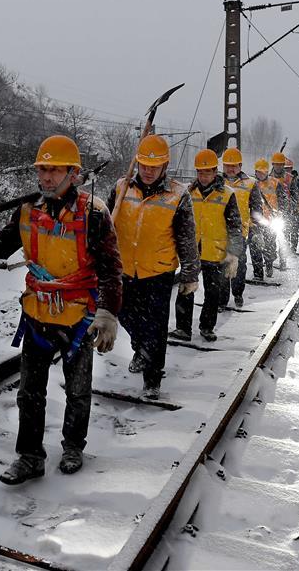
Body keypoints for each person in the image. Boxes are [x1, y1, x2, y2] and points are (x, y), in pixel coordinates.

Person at [0, 135, 122, 485]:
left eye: (54, 170)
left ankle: (73, 447)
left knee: (77, 390)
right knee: (29, 393)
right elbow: (3, 248)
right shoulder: (28, 209)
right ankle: (30, 456)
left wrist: (109, 314)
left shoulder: (94, 214)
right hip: (37, 314)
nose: (46, 177)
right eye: (42, 170)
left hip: (79, 316)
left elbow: (111, 268)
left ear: (74, 174)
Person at [108, 134, 200, 400]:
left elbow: (186, 237)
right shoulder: (120, 188)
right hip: (123, 268)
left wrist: (190, 273)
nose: (148, 171)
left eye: (154, 166)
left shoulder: (177, 194)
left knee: (156, 328)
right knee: (123, 314)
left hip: (158, 272)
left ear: (164, 166)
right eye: (144, 166)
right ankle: (141, 349)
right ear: (137, 163)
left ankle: (152, 378)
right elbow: (104, 223)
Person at [171, 148, 243, 343]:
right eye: (200, 172)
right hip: (192, 251)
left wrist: (233, 254)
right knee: (186, 289)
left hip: (216, 252)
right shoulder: (187, 192)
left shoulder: (227, 195)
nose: (203, 177)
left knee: (213, 293)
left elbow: (235, 226)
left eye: (207, 172)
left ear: (214, 171)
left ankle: (207, 327)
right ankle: (182, 328)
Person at [218, 148, 265, 309]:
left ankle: (238, 293)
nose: (230, 169)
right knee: (222, 266)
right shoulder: (217, 181)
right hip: (219, 231)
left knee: (239, 265)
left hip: (240, 232)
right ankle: (222, 300)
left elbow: (256, 208)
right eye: (227, 165)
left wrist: (256, 229)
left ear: (240, 165)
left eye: (234, 166)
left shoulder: (251, 183)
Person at [262, 152, 292, 270]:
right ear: (273, 164)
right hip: (271, 215)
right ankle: (269, 262)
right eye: (276, 164)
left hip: (284, 214)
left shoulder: (289, 178)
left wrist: (290, 212)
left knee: (284, 239)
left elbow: (292, 195)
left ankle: (283, 260)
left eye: (280, 164)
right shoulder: (267, 178)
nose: (278, 166)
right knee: (269, 240)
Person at [250, 158, 278, 279]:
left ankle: (269, 263)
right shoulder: (251, 184)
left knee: (269, 245)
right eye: (258, 172)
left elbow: (282, 200)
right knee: (255, 247)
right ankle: (258, 273)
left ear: (267, 171)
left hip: (270, 222)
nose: (260, 174)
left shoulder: (275, 183)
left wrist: (281, 213)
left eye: (262, 172)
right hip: (255, 222)